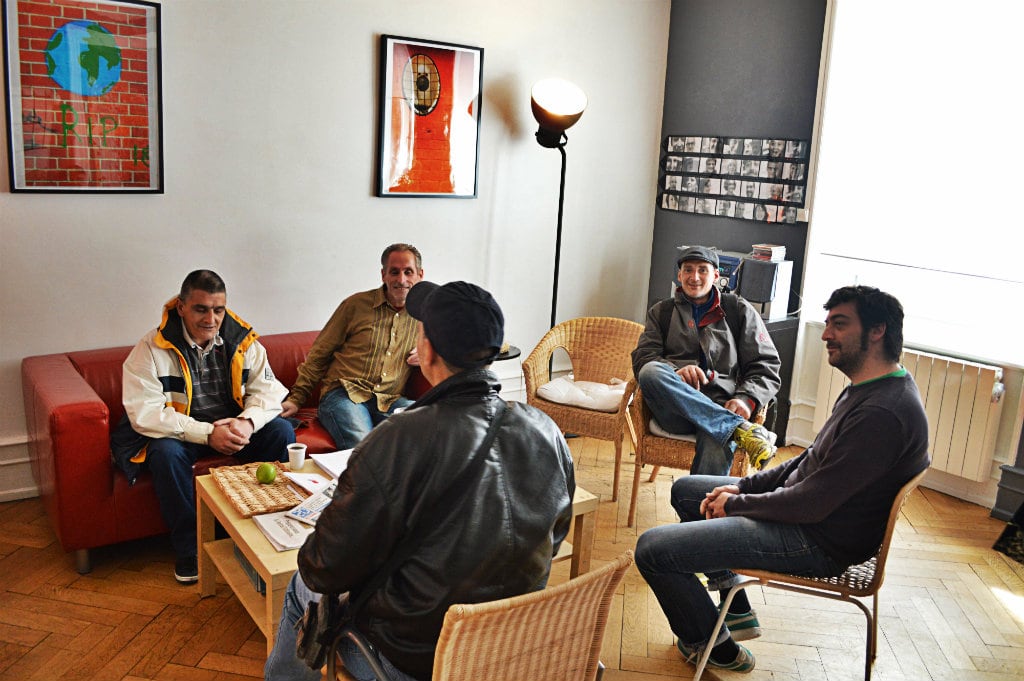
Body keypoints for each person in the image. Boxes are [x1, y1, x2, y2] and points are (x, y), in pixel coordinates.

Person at [264, 280, 576, 681]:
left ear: (426, 351)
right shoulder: (546, 429)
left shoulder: (395, 440)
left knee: (299, 588)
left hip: (411, 661)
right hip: (507, 650)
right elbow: (553, 537)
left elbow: (322, 569)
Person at [635, 285, 929, 674]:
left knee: (653, 549)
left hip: (817, 540)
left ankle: (715, 647)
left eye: (839, 324)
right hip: (809, 517)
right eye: (827, 324)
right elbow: (806, 462)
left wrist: (738, 503)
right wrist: (742, 486)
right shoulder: (870, 389)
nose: (826, 335)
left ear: (877, 330)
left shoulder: (882, 414)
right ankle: (734, 606)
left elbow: (812, 502)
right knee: (687, 490)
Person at [112, 270, 294, 583]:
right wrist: (208, 434)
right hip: (183, 431)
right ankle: (189, 548)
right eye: (201, 309)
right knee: (164, 454)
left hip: (231, 423)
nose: (211, 318)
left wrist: (247, 423)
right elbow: (145, 414)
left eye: (218, 310)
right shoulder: (150, 350)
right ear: (181, 307)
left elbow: (270, 391)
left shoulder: (243, 341)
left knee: (281, 432)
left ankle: (266, 530)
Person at [632, 246, 781, 476]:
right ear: (679, 276)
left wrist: (745, 400)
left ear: (716, 276)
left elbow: (766, 365)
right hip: (674, 410)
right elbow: (644, 357)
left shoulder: (738, 310)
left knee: (717, 441)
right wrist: (676, 372)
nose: (694, 277)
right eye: (688, 270)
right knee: (651, 371)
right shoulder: (661, 312)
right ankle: (737, 428)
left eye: (703, 270)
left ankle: (699, 511)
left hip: (722, 402)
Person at [281, 244, 423, 450]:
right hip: (345, 395)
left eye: (408, 272)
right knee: (362, 446)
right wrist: (296, 399)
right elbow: (320, 353)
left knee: (428, 427)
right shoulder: (355, 306)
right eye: (394, 272)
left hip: (390, 400)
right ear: (384, 275)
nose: (401, 280)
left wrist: (431, 351)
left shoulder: (425, 315)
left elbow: (458, 345)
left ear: (420, 275)